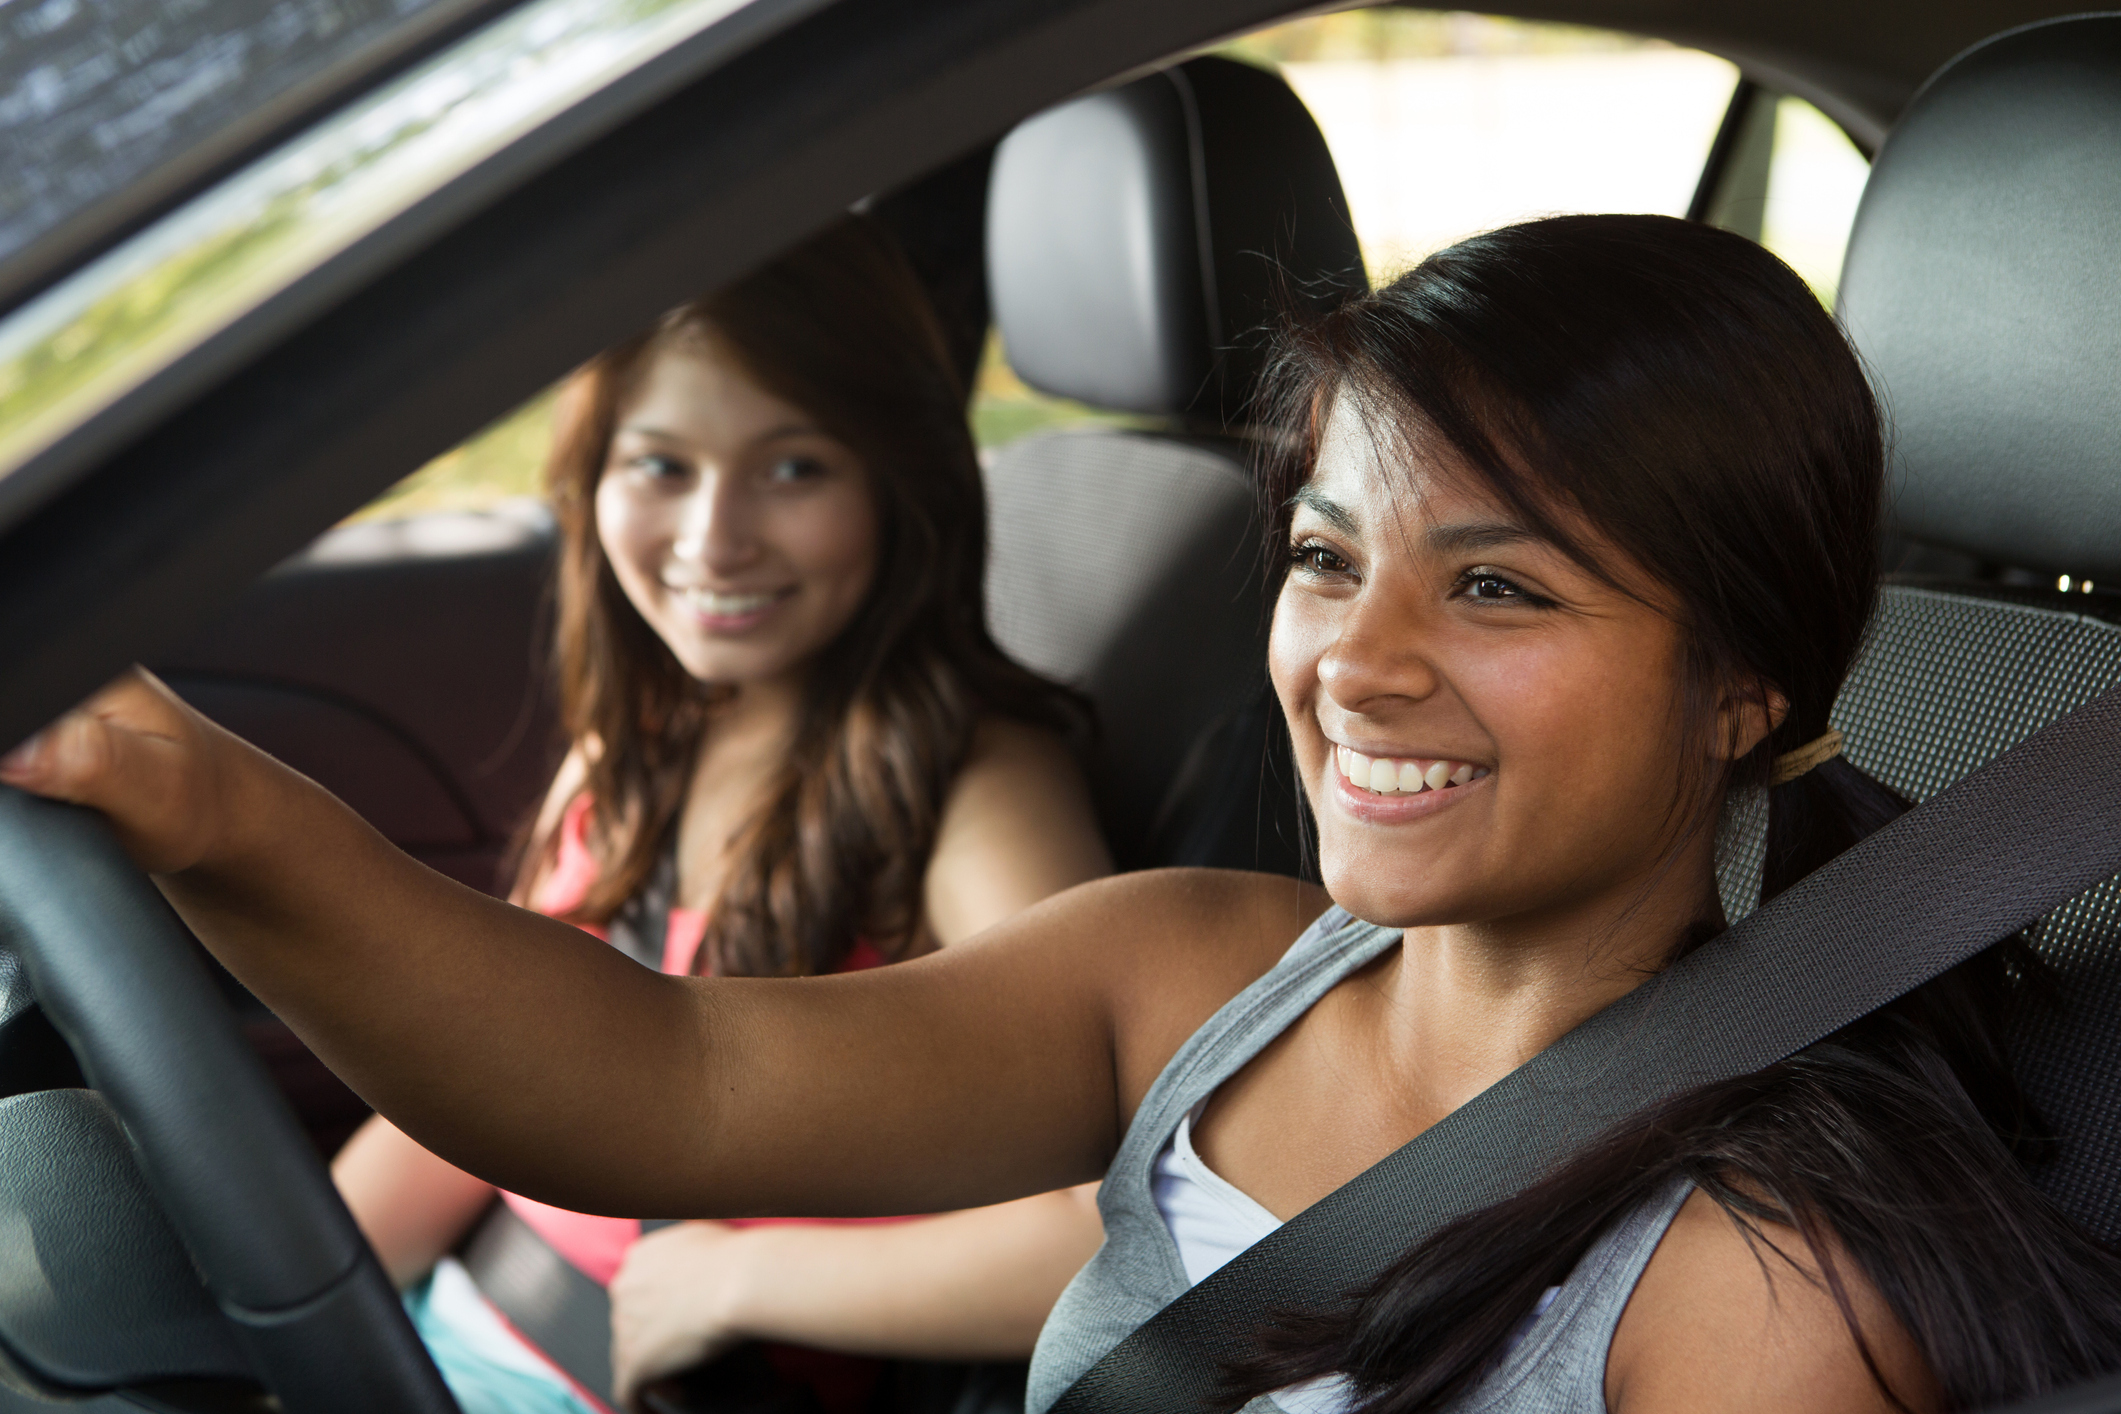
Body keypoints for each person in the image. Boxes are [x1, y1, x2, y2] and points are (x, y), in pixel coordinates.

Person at [17, 213, 2121, 1414]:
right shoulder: (1194, 964)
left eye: (1495, 585)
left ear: (1743, 685)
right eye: (1323, 555)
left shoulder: (1752, 1287)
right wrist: (189, 791)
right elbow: (660, 1074)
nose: (1354, 660)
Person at [315, 216, 1111, 1413]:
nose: (713, 538)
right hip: (438, 1334)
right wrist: (292, 1305)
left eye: (795, 467)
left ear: (898, 482)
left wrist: (743, 1273)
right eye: (662, 466)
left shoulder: (970, 786)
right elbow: (478, 1073)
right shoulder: (640, 742)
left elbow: (1118, 1230)